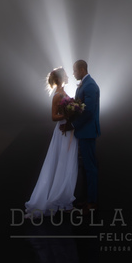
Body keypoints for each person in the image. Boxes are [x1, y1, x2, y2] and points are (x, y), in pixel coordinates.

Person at [25, 67, 80, 218]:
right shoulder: (57, 95)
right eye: (66, 75)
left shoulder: (63, 92)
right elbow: (53, 116)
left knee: (66, 163)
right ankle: (58, 199)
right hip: (63, 132)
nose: (68, 76)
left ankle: (63, 199)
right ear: (61, 78)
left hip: (68, 130)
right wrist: (67, 115)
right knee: (62, 163)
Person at [62, 59, 101, 210]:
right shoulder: (85, 84)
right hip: (84, 132)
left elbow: (89, 111)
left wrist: (73, 125)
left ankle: (92, 202)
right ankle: (88, 199)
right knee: (86, 168)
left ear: (82, 70)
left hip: (87, 132)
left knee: (90, 168)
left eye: (75, 70)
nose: (73, 73)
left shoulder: (90, 85)